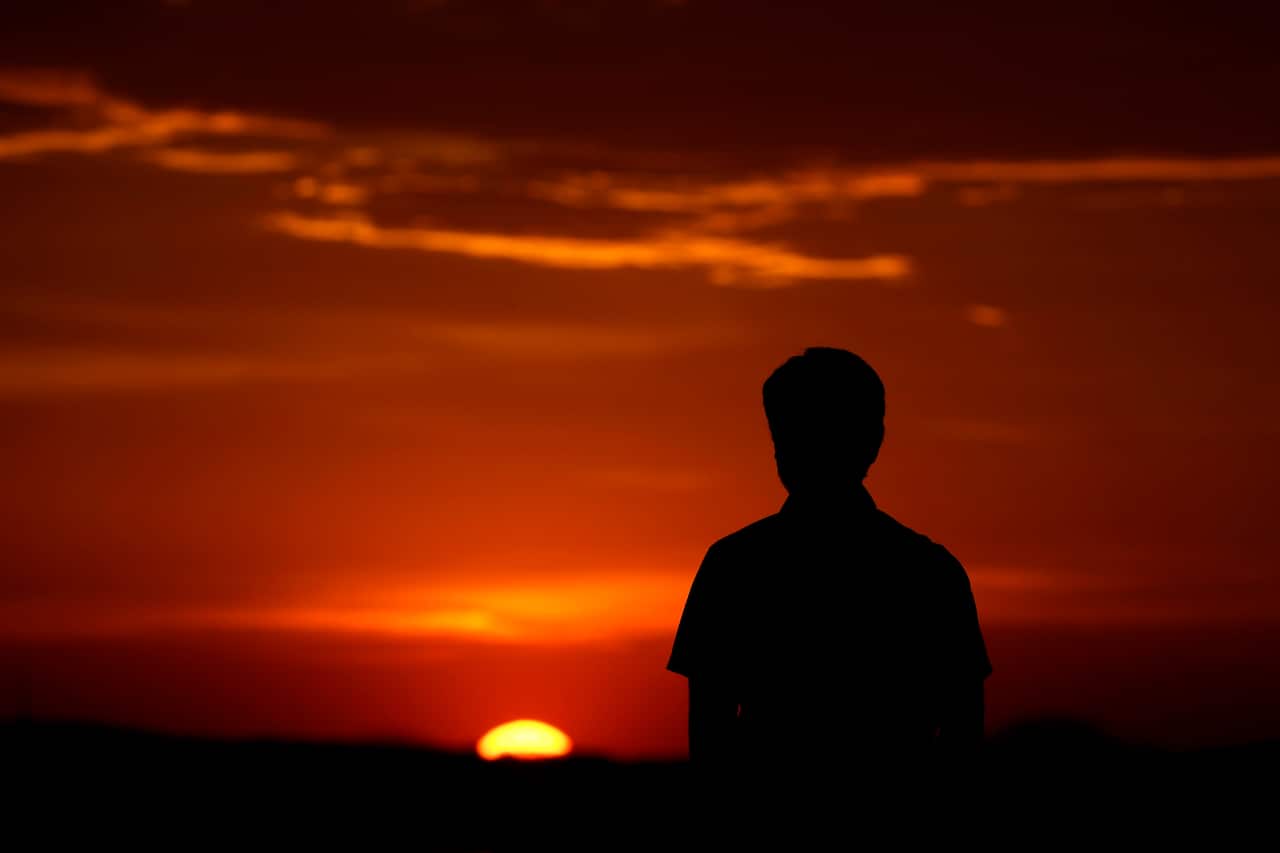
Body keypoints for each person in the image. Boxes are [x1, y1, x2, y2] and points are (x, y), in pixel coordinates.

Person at [667, 347, 992, 820]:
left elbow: (709, 741)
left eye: (797, 432)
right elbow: (964, 744)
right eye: (785, 431)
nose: (788, 447)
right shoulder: (931, 571)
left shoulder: (735, 565)